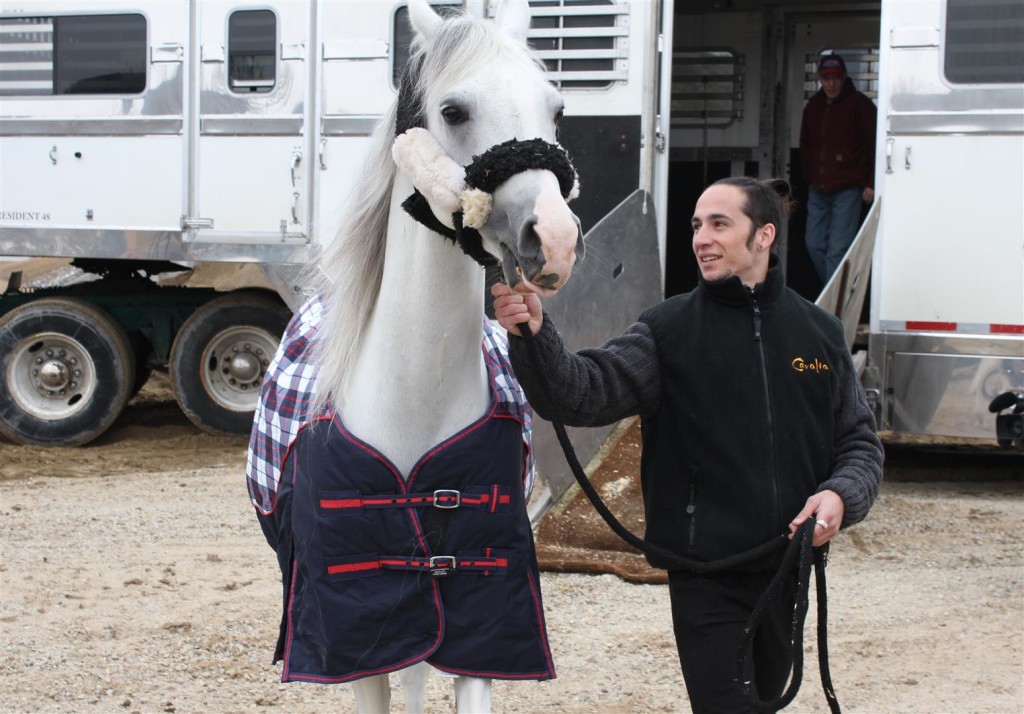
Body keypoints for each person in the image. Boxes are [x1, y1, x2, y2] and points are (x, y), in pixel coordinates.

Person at [491, 176, 884, 714]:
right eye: (697, 225)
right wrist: (537, 335)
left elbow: (860, 443)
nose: (701, 237)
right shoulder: (666, 330)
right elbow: (583, 393)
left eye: (720, 224)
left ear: (765, 235)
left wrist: (840, 496)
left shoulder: (819, 334)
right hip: (706, 575)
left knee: (767, 701)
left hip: (787, 569)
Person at [800, 53, 877, 284]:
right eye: (826, 78)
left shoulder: (861, 105)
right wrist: (810, 177)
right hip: (818, 189)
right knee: (813, 244)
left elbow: (876, 144)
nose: (831, 83)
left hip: (848, 189)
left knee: (837, 250)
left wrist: (871, 183)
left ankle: (833, 311)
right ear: (820, 80)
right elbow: (806, 146)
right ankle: (839, 296)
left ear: (844, 78)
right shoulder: (813, 106)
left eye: (835, 78)